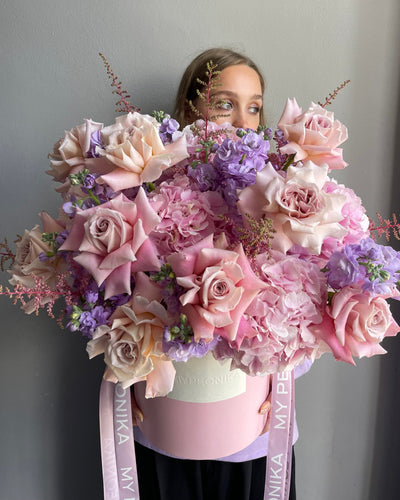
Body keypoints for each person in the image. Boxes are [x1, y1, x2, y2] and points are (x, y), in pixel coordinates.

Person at [132, 47, 312, 500]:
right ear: (190, 108)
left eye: (254, 107)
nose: (242, 121)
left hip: (253, 433)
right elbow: (120, 304)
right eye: (224, 103)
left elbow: (307, 309)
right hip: (167, 426)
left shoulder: (284, 196)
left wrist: (283, 379)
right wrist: (129, 377)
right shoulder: (149, 192)